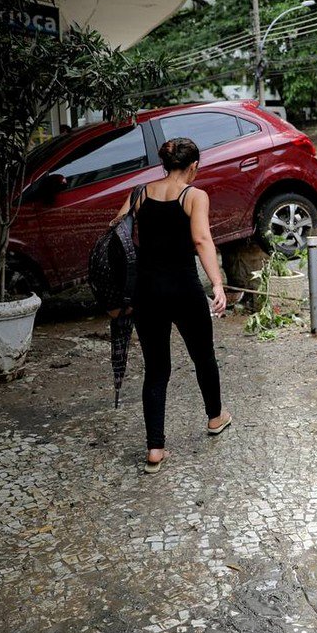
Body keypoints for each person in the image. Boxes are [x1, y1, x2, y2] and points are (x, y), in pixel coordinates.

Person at [110, 137, 230, 473]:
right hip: (183, 290)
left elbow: (115, 232)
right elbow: (201, 239)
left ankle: (155, 449)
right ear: (192, 166)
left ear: (165, 164)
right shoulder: (194, 196)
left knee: (156, 370)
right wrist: (217, 284)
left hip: (146, 293)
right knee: (203, 356)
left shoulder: (138, 194)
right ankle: (216, 417)